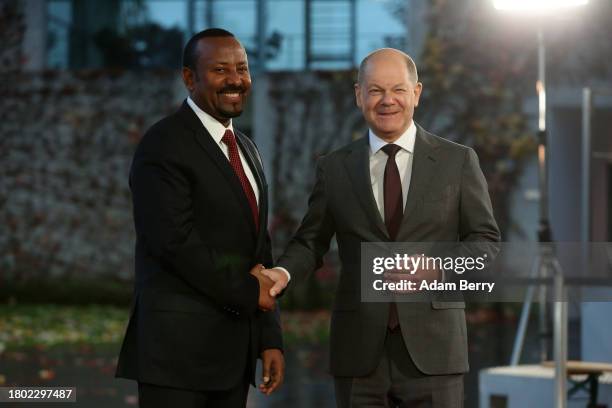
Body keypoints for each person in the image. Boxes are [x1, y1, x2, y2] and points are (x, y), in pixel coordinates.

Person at [261, 48, 500, 407]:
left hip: (434, 352)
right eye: (375, 91)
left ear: (416, 93)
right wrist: (283, 271)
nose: (387, 100)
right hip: (359, 354)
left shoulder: (458, 161)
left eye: (398, 90)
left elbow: (485, 244)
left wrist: (435, 267)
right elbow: (310, 243)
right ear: (359, 95)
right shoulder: (334, 167)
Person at [115, 28, 284, 408]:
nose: (235, 80)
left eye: (242, 68)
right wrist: (248, 292)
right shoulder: (163, 144)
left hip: (232, 357)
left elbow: (260, 249)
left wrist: (270, 338)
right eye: (220, 70)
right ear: (189, 78)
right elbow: (173, 243)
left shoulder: (246, 149)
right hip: (176, 358)